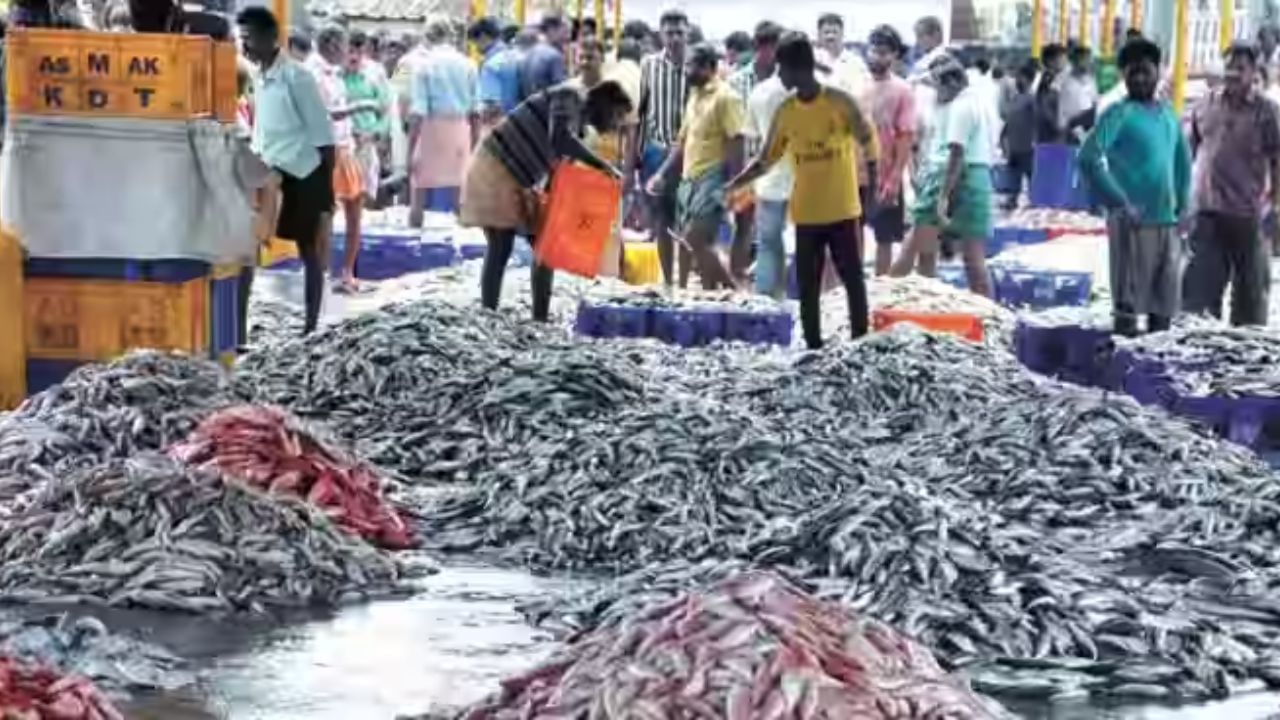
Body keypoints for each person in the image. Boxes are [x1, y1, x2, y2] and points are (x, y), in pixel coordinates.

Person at [729, 31, 878, 349]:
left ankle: (861, 342)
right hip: (807, 214)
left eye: (781, 67)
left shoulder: (840, 102)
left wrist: (874, 189)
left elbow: (869, 140)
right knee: (808, 286)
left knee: (853, 280)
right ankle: (813, 344)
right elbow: (765, 159)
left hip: (843, 211)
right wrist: (734, 184)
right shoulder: (786, 112)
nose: (778, 74)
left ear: (797, 67)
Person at [459, 81, 631, 320]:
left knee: (545, 248)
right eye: (617, 116)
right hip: (496, 167)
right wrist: (603, 166)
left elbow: (558, 164)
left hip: (522, 180)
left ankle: (539, 319)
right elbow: (559, 139)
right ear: (605, 104)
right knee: (500, 245)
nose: (616, 125)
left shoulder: (579, 127)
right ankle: (488, 316)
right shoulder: (569, 96)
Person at [1078, 37, 1191, 337]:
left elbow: (1182, 163)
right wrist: (1118, 201)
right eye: (1132, 72)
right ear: (1123, 76)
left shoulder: (1168, 114)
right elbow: (1088, 156)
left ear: (1159, 71)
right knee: (1128, 305)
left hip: (1167, 222)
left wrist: (1184, 205)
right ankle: (1122, 370)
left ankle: (1154, 366)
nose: (1140, 78)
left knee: (1164, 303)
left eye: (1146, 71)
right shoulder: (1118, 113)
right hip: (1132, 223)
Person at [237, 6, 334, 334]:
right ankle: (239, 325)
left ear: (270, 38)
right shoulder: (258, 78)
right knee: (249, 246)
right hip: (269, 173)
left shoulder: (297, 77)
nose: (244, 47)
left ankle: (310, 324)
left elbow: (324, 139)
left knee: (310, 250)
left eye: (248, 39)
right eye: (241, 39)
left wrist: (326, 195)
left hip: (304, 174)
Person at [1182, 42, 1280, 326]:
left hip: (1250, 216)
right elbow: (1189, 149)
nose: (1233, 74)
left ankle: (1243, 359)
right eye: (1229, 67)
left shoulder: (1267, 112)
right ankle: (1199, 352)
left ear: (1254, 72)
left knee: (1250, 298)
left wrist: (1274, 206)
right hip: (1208, 212)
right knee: (1199, 296)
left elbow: (1277, 160)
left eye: (1241, 68)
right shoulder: (1205, 104)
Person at [890, 53, 995, 297]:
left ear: (950, 83)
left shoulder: (961, 108)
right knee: (952, 253)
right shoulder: (969, 101)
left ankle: (887, 299)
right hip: (971, 177)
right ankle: (981, 310)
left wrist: (943, 197)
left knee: (919, 247)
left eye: (937, 86)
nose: (935, 92)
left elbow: (956, 154)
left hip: (956, 177)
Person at [647, 43, 744, 291]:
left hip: (714, 179)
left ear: (710, 67)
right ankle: (711, 297)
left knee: (694, 239)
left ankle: (735, 291)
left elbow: (737, 142)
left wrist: (734, 186)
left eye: (693, 65)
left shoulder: (726, 97)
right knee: (695, 245)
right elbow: (682, 142)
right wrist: (661, 174)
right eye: (687, 64)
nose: (687, 69)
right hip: (689, 180)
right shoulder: (694, 95)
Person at [631, 8, 690, 288]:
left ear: (687, 32)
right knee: (663, 221)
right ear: (661, 35)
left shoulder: (699, 65)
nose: (675, 38)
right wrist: (636, 157)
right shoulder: (648, 65)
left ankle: (687, 281)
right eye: (670, 33)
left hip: (693, 155)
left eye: (680, 32)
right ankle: (668, 280)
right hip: (657, 150)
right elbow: (639, 114)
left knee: (690, 222)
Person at [311, 26, 367, 293]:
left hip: (344, 147)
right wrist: (360, 107)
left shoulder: (335, 74)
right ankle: (322, 273)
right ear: (333, 44)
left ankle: (346, 271)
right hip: (325, 149)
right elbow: (324, 113)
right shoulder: (314, 73)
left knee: (355, 208)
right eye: (346, 45)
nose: (349, 51)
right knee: (325, 216)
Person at [726, 21, 782, 281]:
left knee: (772, 229)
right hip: (745, 164)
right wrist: (735, 175)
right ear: (761, 48)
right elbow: (731, 132)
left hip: (776, 168)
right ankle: (736, 281)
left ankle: (767, 283)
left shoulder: (785, 81)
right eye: (776, 48)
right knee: (743, 225)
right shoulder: (736, 82)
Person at [406, 18, 476, 226]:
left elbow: (418, 111)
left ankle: (414, 238)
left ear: (428, 37)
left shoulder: (424, 65)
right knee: (459, 193)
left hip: (431, 130)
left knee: (418, 190)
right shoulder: (468, 64)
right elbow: (476, 111)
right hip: (460, 130)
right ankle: (463, 243)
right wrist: (475, 141)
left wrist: (410, 151)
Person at [862, 25, 916, 276]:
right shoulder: (856, 84)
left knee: (884, 238)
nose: (877, 56)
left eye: (884, 52)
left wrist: (895, 178)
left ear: (894, 56)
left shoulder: (903, 90)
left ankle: (879, 288)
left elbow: (905, 137)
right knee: (851, 233)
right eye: (874, 50)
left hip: (885, 175)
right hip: (854, 174)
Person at [743, 71, 792, 298]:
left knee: (768, 242)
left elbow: (751, 139)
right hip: (805, 180)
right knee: (801, 243)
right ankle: (795, 298)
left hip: (769, 179)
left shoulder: (760, 91)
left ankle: (767, 298)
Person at [343, 31, 387, 212]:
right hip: (342, 142)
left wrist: (375, 133)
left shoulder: (375, 73)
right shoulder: (334, 74)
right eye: (350, 51)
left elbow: (385, 109)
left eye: (359, 52)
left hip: (367, 141)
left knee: (366, 191)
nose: (354, 57)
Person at [999, 61, 1038, 210]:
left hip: (1027, 144)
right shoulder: (1016, 98)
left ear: (1028, 79)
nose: (1016, 81)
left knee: (1030, 174)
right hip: (1014, 143)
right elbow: (1010, 119)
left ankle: (1034, 200)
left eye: (1019, 78)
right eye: (1016, 78)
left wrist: (1035, 139)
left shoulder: (1031, 99)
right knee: (1013, 173)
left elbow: (1037, 120)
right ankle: (1012, 199)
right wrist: (1003, 136)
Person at [471, 16, 521, 127]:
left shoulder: (491, 65)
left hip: (499, 126)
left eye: (475, 43)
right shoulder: (517, 56)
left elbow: (491, 105)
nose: (476, 49)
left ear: (483, 37)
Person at [816, 13, 870, 97]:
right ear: (819, 35)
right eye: (826, 32)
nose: (830, 36)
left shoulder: (855, 63)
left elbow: (861, 96)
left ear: (842, 34)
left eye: (835, 32)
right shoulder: (811, 61)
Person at [519, 13, 569, 101]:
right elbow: (562, 92)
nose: (566, 37)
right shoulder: (553, 56)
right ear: (552, 29)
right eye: (564, 32)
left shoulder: (529, 52)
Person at [1059, 44, 1098, 142]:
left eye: (1089, 59)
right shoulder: (1064, 82)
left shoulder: (1091, 81)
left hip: (1088, 133)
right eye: (1084, 59)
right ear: (1074, 61)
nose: (1088, 62)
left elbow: (1094, 103)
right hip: (1069, 133)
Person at [1035, 43, 1067, 143]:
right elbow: (1045, 108)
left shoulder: (1047, 78)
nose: (1065, 62)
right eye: (1061, 58)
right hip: (1052, 138)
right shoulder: (1048, 81)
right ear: (1050, 61)